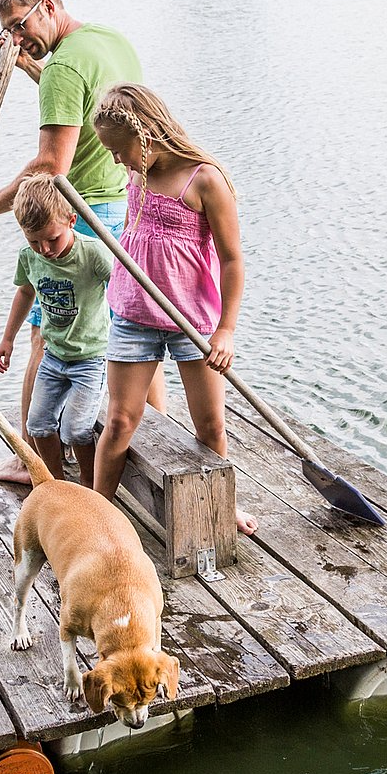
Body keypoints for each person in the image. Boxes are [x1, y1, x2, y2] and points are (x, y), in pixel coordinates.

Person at [0, 0, 153, 483]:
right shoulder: (107, 41)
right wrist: (29, 66)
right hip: (126, 204)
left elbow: (52, 166)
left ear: (47, 6)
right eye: (6, 31)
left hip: (80, 214)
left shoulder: (63, 69)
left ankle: (31, 457)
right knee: (132, 328)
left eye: (19, 24)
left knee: (46, 337)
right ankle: (150, 430)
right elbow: (81, 103)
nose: (15, 37)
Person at [91, 83, 257, 535]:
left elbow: (232, 260)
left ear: (144, 136)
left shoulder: (204, 179)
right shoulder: (136, 172)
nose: (115, 161)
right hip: (133, 315)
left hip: (193, 323)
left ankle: (225, 506)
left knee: (210, 425)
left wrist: (226, 330)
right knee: (122, 419)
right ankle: (97, 515)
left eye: (118, 151)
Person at [0, 175, 112, 484]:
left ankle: (89, 484)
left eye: (52, 239)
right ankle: (54, 484)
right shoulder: (29, 257)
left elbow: (125, 286)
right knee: (38, 425)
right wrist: (7, 339)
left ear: (72, 220)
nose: (44, 249)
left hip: (90, 357)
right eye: (34, 241)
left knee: (76, 429)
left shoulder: (93, 253)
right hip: (53, 356)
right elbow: (25, 293)